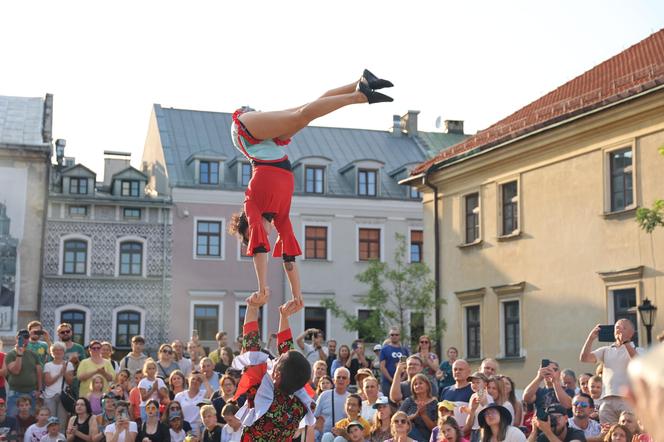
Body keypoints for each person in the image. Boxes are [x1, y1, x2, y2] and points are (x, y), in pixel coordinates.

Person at [227, 70, 394, 304]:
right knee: (307, 112)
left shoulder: (251, 206)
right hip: (267, 141)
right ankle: (361, 82)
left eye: (257, 233)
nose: (264, 234)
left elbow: (258, 251)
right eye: (265, 234)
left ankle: (360, 96)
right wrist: (297, 296)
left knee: (302, 115)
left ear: (249, 223)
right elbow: (289, 260)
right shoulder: (280, 217)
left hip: (245, 133)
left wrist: (262, 288)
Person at [232, 290, 315, 441]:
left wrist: (252, 307)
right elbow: (288, 358)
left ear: (277, 375)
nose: (274, 359)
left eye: (277, 360)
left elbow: (251, 349)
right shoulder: (299, 406)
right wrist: (284, 317)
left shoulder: (260, 394)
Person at [580, 320, 644, 425]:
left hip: (627, 400)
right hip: (607, 400)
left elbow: (638, 363)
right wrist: (590, 339)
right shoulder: (606, 350)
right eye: (617, 327)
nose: (618, 329)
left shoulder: (638, 350)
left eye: (623, 327)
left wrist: (626, 343)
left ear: (631, 333)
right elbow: (584, 358)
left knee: (628, 433)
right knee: (608, 435)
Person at [6, 329, 42, 416]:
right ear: (16, 338)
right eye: (21, 337)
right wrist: (19, 354)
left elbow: (39, 373)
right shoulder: (10, 354)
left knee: (30, 421)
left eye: (26, 337)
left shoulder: (33, 354)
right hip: (15, 393)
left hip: (31, 393)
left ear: (29, 338)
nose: (24, 339)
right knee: (13, 419)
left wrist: (39, 390)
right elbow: (16, 371)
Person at [43, 342, 75, 426]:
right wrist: (60, 373)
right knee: (49, 422)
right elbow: (48, 382)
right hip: (49, 396)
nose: (58, 352)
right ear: (52, 352)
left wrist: (65, 372)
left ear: (64, 352)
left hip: (63, 396)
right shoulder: (47, 365)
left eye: (60, 350)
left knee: (62, 422)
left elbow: (70, 382)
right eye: (55, 350)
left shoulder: (69, 364)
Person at [398, 374, 437, 441]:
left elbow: (436, 429)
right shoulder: (408, 401)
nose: (417, 386)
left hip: (428, 437)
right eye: (415, 384)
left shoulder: (435, 403)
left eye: (420, 383)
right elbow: (397, 419)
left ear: (427, 386)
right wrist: (415, 415)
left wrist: (423, 415)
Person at [315, 367, 350, 441]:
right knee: (327, 436)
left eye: (344, 378)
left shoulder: (351, 398)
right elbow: (315, 416)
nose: (341, 379)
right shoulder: (324, 395)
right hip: (324, 436)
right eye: (338, 377)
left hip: (343, 437)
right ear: (334, 380)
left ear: (348, 381)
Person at [439, 360, 473, 427]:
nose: (457, 372)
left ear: (468, 372)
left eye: (460, 369)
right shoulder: (446, 390)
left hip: (467, 434)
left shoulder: (473, 390)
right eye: (455, 369)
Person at [173, 372, 207, 438]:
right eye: (193, 379)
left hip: (198, 430)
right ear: (188, 380)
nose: (195, 381)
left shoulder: (204, 393)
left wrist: (205, 380)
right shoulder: (179, 395)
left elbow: (212, 395)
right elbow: (174, 412)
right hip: (182, 429)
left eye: (198, 380)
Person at [462, 372, 494, 441]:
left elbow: (489, 410)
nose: (475, 384)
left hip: (484, 429)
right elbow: (473, 411)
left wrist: (482, 400)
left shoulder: (487, 396)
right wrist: (466, 410)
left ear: (485, 384)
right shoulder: (473, 396)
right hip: (474, 428)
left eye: (478, 382)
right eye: (473, 382)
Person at [380, 327, 409, 397]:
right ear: (389, 336)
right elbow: (382, 367)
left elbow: (405, 366)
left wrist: (401, 379)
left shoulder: (403, 350)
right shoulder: (384, 349)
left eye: (396, 334)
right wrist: (392, 379)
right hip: (387, 381)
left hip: (401, 381)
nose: (394, 336)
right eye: (392, 335)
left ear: (399, 336)